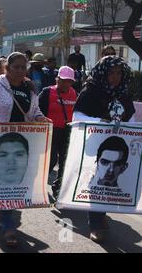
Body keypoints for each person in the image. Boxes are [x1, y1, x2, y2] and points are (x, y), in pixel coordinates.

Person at [0, 51, 51, 247]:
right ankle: (7, 225)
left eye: (23, 67)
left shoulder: (30, 88)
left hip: (23, 143)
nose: (19, 71)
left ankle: (2, 216)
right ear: (7, 68)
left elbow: (34, 112)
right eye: (15, 67)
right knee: (1, 182)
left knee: (17, 185)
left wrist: (41, 118)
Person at [73, 55, 135, 243]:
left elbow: (130, 116)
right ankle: (96, 224)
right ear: (103, 73)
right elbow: (77, 114)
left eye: (118, 73)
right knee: (97, 182)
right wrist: (100, 122)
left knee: (112, 182)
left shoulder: (123, 93)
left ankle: (101, 213)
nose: (115, 77)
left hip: (118, 145)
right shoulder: (91, 91)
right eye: (111, 73)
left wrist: (129, 128)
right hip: (95, 146)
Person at [39, 66, 77, 198]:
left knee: (65, 162)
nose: (67, 83)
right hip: (50, 132)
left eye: (69, 81)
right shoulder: (47, 92)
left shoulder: (74, 93)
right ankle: (39, 184)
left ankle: (58, 189)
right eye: (64, 80)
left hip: (67, 132)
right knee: (51, 160)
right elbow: (37, 111)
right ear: (58, 79)